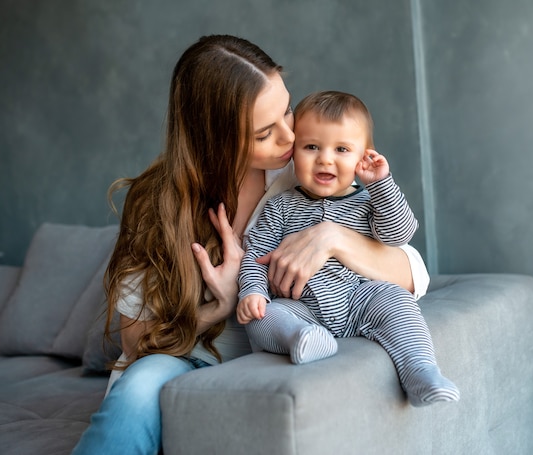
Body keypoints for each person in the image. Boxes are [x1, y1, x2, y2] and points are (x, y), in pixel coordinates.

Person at [73, 36, 430, 454]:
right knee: (137, 394)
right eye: (265, 133)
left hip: (277, 348)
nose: (290, 137)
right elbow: (135, 343)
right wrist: (219, 307)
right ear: (215, 139)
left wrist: (331, 237)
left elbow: (413, 273)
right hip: (181, 357)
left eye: (287, 111)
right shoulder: (159, 201)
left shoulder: (305, 172)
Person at [237, 91, 459, 407]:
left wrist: (381, 184)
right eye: (311, 146)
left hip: (359, 298)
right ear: (294, 151)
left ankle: (421, 372)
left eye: (342, 149)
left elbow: (400, 234)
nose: (325, 159)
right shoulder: (280, 206)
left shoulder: (370, 203)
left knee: (395, 299)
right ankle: (301, 339)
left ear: (362, 157)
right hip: (302, 307)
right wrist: (253, 292)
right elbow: (256, 255)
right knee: (261, 317)